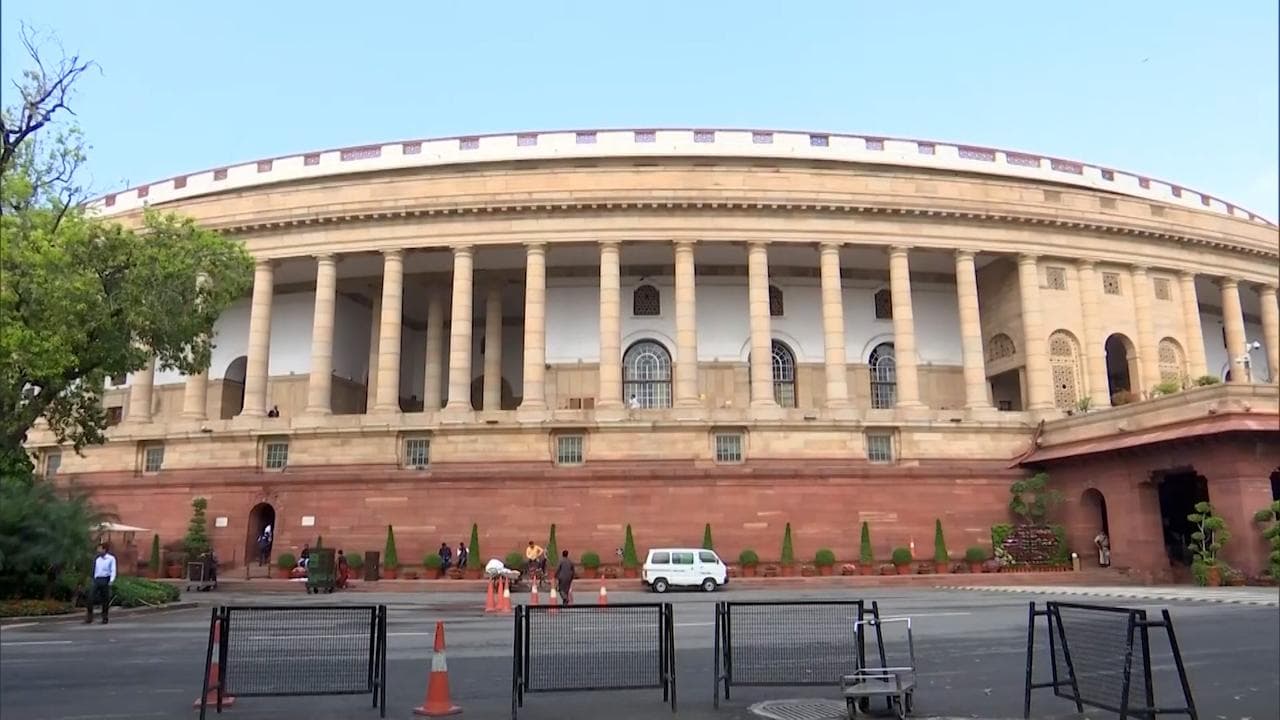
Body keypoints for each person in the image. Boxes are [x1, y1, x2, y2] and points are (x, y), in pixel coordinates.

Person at [86, 543, 116, 625]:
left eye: (100, 549)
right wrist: (92, 578)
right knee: (90, 597)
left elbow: (113, 570)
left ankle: (104, 617)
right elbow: (94, 569)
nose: (98, 550)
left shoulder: (111, 558)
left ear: (104, 550)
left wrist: (111, 580)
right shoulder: (97, 558)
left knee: (105, 599)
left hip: (105, 579)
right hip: (96, 579)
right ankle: (89, 617)